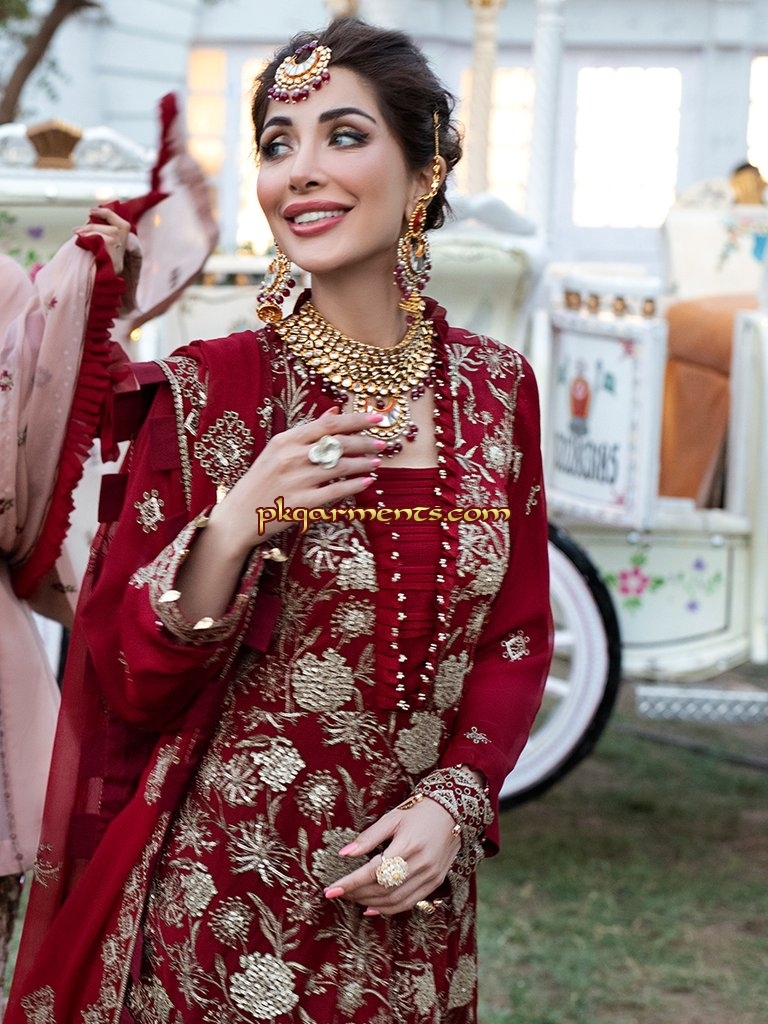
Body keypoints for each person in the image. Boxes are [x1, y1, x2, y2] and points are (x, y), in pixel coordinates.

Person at [6, 18, 552, 1023]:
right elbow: (124, 676)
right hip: (221, 916)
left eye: (344, 135)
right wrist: (235, 522)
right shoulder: (208, 394)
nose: (300, 171)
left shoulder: (496, 389)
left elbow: (515, 636)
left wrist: (456, 799)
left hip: (415, 916)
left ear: (423, 169)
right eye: (276, 143)